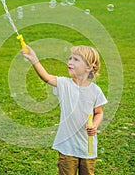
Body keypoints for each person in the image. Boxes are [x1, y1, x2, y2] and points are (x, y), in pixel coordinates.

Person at [22, 45, 107, 175]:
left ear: (89, 67)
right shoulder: (64, 84)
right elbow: (46, 77)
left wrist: (95, 125)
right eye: (70, 58)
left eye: (76, 59)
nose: (70, 62)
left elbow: (99, 112)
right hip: (67, 146)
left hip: (87, 147)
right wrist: (34, 60)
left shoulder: (95, 91)